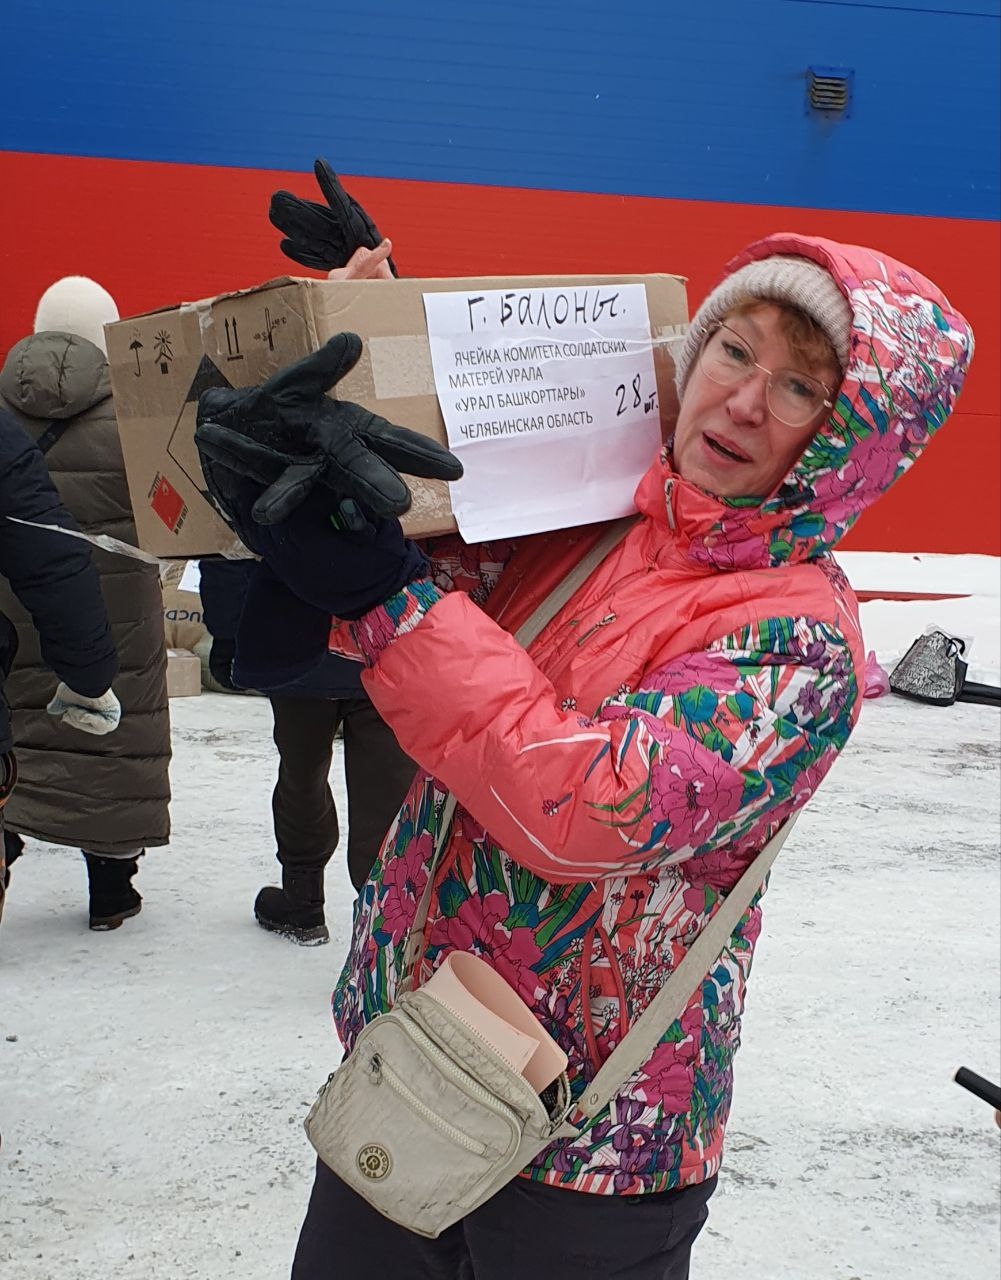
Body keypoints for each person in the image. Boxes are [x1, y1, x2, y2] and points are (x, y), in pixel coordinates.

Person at [196, 233, 973, 1277]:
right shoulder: (590, 523)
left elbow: (584, 805)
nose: (744, 400)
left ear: (851, 443)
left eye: (799, 388)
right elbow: (410, 565)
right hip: (418, 1054)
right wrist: (363, 346)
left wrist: (388, 595)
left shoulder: (797, 639)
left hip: (591, 1141)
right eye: (735, 350)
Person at [0, 277, 170, 930]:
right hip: (114, 611)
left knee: (16, 721)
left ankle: (7, 837)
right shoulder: (135, 415)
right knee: (111, 736)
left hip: (13, 603)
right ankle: (112, 888)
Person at [198, 551, 415, 942]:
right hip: (383, 641)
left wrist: (230, 634)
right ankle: (384, 925)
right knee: (386, 790)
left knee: (302, 773)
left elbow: (226, 549)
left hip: (296, 647)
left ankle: (303, 898)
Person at [0, 407, 121, 926]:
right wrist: (90, 675)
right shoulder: (125, 418)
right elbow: (54, 563)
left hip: (42, 622)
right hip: (99, 610)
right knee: (115, 761)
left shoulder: (9, 410)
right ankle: (113, 881)